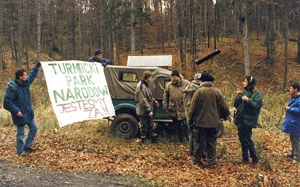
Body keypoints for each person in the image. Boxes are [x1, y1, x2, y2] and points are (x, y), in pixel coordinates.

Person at [189, 72, 230, 169]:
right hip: (213, 123)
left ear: (202, 81)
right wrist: (224, 116)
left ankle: (197, 162)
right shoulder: (217, 92)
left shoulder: (199, 92)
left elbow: (192, 108)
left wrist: (190, 121)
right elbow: (224, 107)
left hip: (200, 123)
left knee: (198, 143)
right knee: (211, 143)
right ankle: (212, 163)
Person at [3, 62, 41, 156]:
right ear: (20, 77)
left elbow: (32, 76)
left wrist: (37, 66)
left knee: (34, 128)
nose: (26, 76)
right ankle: (20, 151)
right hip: (19, 114)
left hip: (28, 112)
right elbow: (7, 103)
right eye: (25, 75)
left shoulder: (25, 83)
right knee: (20, 134)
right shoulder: (12, 88)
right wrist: (16, 111)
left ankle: (27, 146)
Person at [234, 76, 263, 165]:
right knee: (242, 139)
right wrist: (238, 96)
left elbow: (258, 105)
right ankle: (245, 158)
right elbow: (236, 105)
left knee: (247, 140)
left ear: (250, 83)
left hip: (248, 120)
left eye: (245, 81)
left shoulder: (257, 94)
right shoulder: (245, 92)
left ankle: (255, 159)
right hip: (241, 120)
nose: (243, 83)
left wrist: (248, 100)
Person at [163, 69, 190, 142]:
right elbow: (165, 96)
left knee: (185, 125)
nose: (173, 79)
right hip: (173, 108)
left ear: (178, 77)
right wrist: (165, 106)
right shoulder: (168, 85)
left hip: (183, 108)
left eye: (174, 77)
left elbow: (191, 94)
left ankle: (187, 140)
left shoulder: (186, 83)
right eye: (172, 77)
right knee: (176, 125)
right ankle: (178, 140)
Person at [135, 71, 159, 144]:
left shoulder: (145, 85)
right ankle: (143, 142)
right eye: (151, 77)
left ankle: (153, 140)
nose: (151, 79)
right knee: (144, 126)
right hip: (143, 111)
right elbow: (143, 100)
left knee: (150, 125)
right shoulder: (141, 86)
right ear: (148, 77)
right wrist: (149, 111)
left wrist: (154, 101)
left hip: (147, 109)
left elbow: (149, 95)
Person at [183, 73, 201, 155]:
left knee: (191, 133)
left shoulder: (187, 87)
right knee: (197, 134)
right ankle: (196, 153)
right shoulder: (198, 89)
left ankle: (191, 151)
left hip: (188, 113)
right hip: (195, 114)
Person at [282, 81, 300, 162]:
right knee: (292, 138)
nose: (289, 90)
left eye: (291, 88)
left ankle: (297, 156)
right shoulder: (292, 97)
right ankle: (293, 153)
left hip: (297, 123)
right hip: (292, 122)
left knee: (296, 139)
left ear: (296, 89)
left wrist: (290, 109)